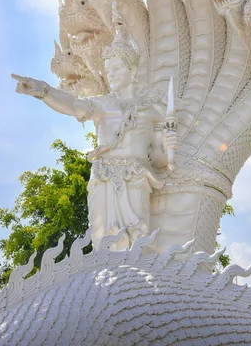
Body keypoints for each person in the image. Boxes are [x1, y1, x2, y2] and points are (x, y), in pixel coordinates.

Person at [12, 16, 175, 250]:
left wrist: (169, 146)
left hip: (136, 177)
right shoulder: (103, 105)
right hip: (104, 177)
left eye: (117, 68)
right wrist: (43, 91)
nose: (112, 75)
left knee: (138, 239)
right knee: (104, 240)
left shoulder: (151, 110)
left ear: (132, 69)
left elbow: (160, 160)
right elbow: (73, 105)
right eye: (108, 70)